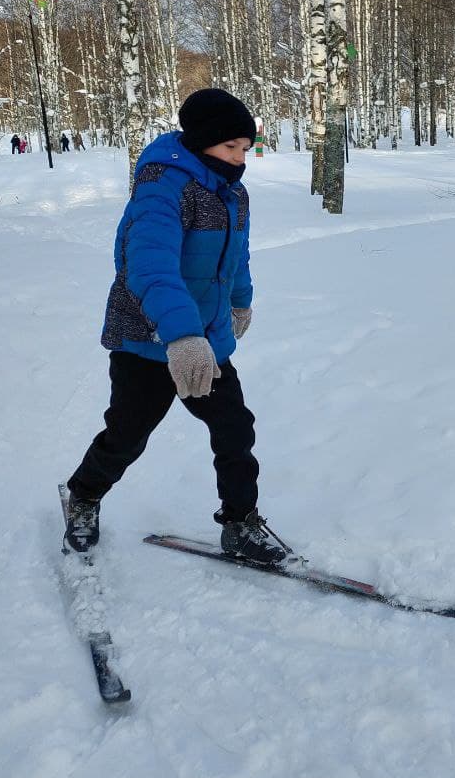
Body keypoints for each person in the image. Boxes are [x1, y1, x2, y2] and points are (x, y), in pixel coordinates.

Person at [63, 88, 287, 567]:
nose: (240, 158)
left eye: (246, 148)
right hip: (147, 341)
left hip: (203, 340)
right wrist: (181, 336)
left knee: (234, 429)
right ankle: (82, 496)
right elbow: (150, 265)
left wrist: (240, 303)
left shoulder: (232, 192)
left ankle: (240, 523)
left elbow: (235, 257)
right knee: (127, 435)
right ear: (203, 141)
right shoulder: (163, 187)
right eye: (230, 147)